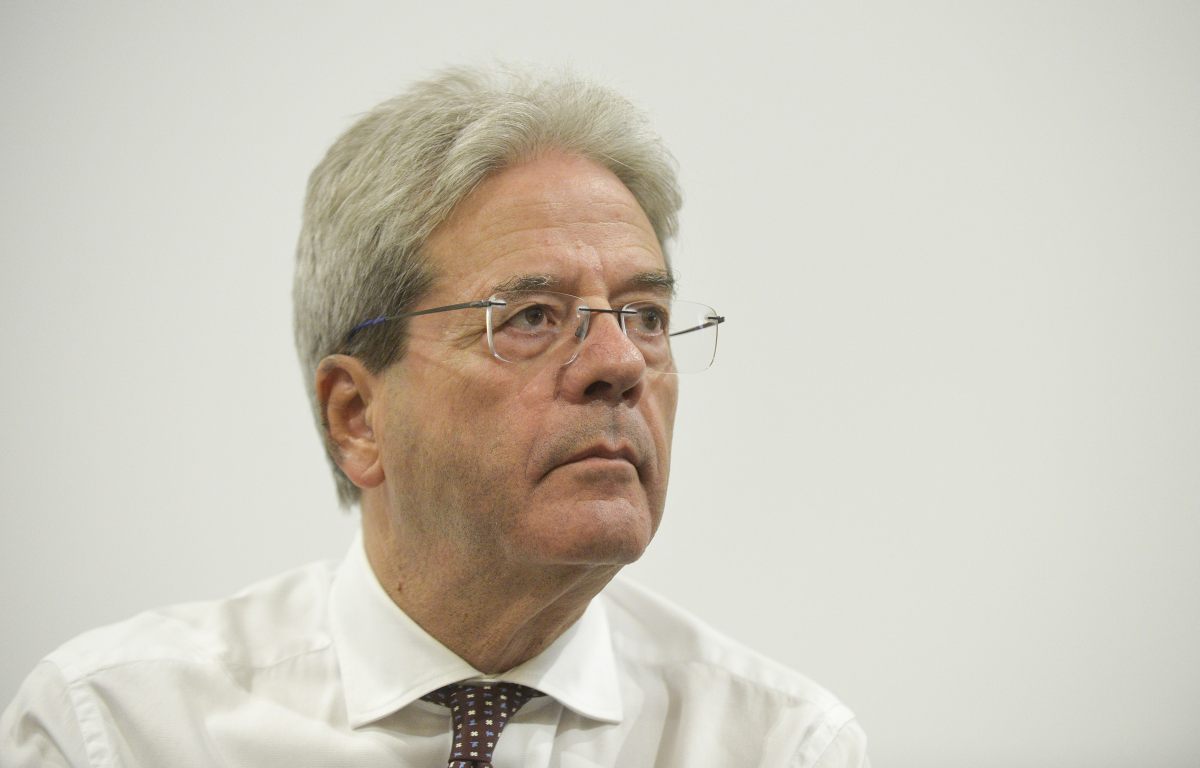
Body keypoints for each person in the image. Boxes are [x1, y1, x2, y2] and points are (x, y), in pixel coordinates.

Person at [1, 66, 869, 767]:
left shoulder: (778, 745)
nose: (619, 363)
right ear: (357, 417)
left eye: (644, 314)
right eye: (531, 316)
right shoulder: (120, 729)